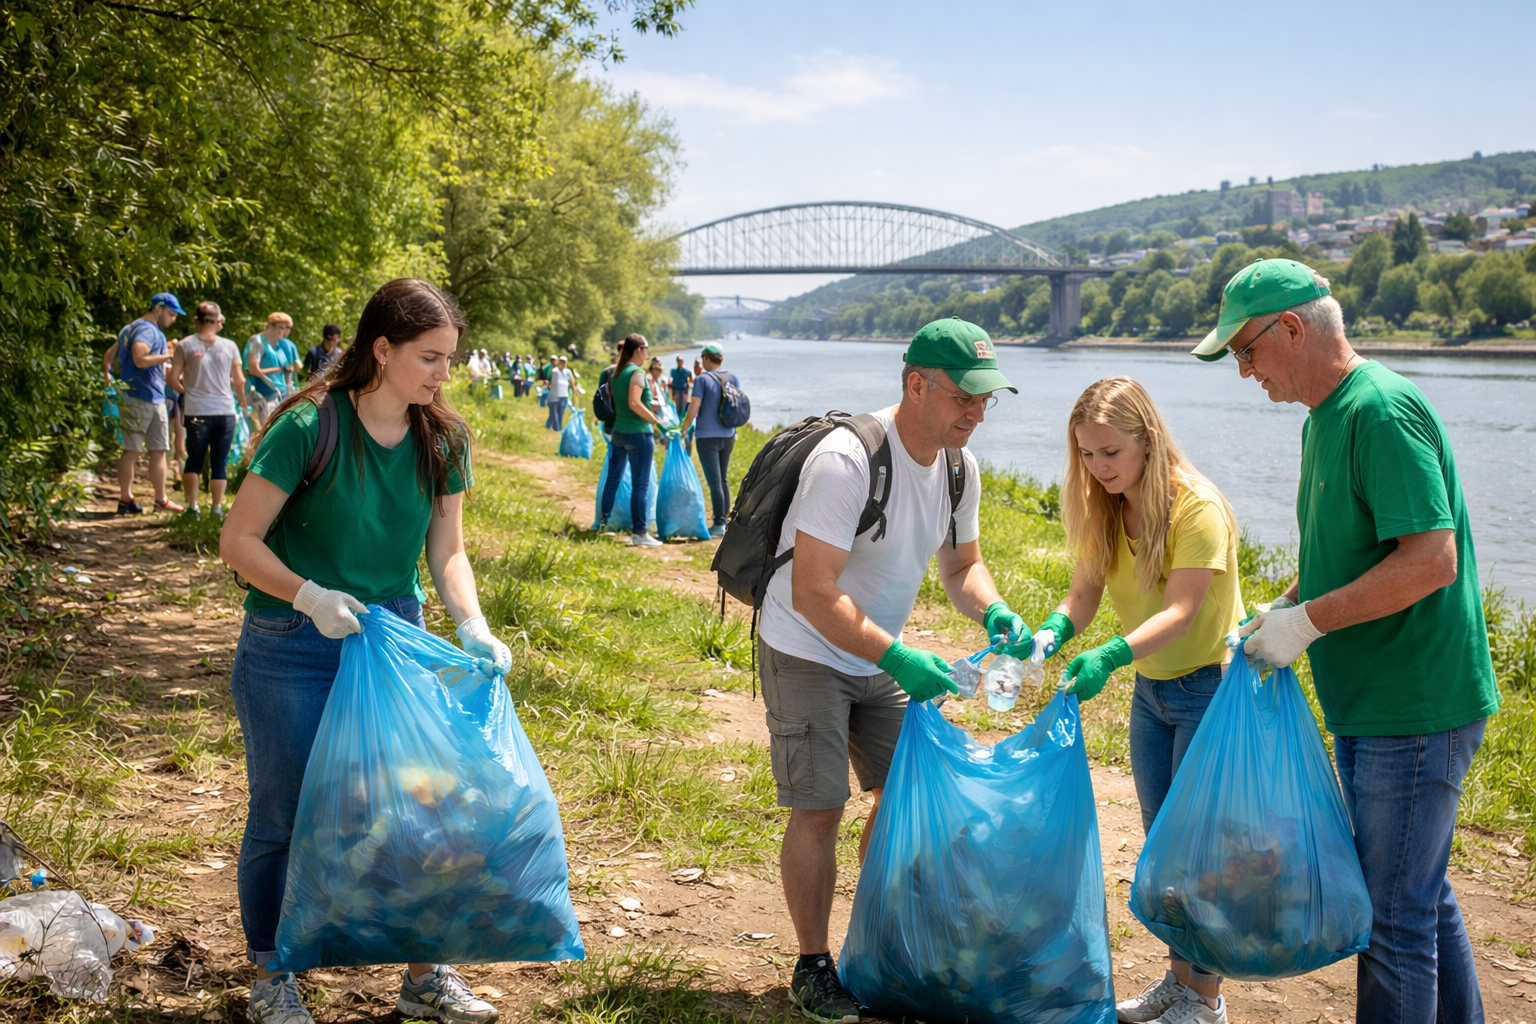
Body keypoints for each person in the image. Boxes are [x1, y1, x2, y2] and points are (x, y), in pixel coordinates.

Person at [1195, 258, 1499, 1024]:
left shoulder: (1380, 411)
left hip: (1415, 706)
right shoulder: (1323, 419)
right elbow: (1348, 548)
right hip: (1370, 702)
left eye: (1246, 351)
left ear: (1291, 328)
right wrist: (1286, 606)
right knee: (1417, 893)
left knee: (1391, 917)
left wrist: (1307, 624)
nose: (1244, 371)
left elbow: (1430, 560)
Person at [220, 278, 512, 1024]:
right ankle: (271, 978)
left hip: (393, 641)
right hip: (292, 645)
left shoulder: (442, 438)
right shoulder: (308, 426)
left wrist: (472, 624)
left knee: (417, 808)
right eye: (429, 358)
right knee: (285, 815)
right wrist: (310, 596)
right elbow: (239, 540)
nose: (443, 374)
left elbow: (447, 549)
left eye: (450, 359)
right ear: (382, 350)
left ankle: (424, 978)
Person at [757, 318, 1030, 1024]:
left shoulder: (959, 468)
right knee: (820, 807)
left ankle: (880, 936)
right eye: (965, 398)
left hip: (879, 649)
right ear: (917, 385)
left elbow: (962, 567)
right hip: (807, 645)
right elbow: (813, 590)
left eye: (985, 400)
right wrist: (900, 657)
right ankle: (813, 966)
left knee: (906, 798)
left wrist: (993, 609)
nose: (977, 413)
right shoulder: (847, 461)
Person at [1033, 377, 1244, 1024]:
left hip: (1209, 688)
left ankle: (1206, 999)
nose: (1098, 468)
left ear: (1147, 441)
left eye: (1111, 453)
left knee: (1199, 852)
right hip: (1153, 693)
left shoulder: (1197, 507)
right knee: (1165, 848)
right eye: (1086, 454)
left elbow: (1182, 611)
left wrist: (1110, 655)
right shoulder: (1104, 504)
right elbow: (1083, 595)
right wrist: (1052, 633)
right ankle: (1180, 980)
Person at [103, 293, 187, 514]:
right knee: (133, 451)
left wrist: (108, 379)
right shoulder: (148, 330)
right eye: (171, 314)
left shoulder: (128, 329)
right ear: (158, 309)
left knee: (158, 450)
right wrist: (169, 356)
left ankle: (159, 500)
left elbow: (109, 355)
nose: (173, 319)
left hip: (150, 397)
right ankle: (127, 500)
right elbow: (140, 359)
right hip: (141, 398)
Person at [167, 302, 247, 515]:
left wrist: (186, 391)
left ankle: (192, 508)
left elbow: (173, 379)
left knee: (194, 460)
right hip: (225, 411)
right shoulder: (230, 346)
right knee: (219, 462)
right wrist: (243, 402)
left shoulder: (184, 345)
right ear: (218, 321)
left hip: (197, 411)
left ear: (196, 320)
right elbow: (239, 381)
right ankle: (217, 508)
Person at [597, 334, 667, 547]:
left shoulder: (617, 373)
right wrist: (655, 420)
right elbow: (634, 403)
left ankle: (603, 523)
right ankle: (640, 533)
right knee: (641, 484)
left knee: (613, 478)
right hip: (638, 433)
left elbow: (625, 402)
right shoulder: (637, 373)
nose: (648, 353)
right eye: (646, 348)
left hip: (619, 431)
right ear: (638, 350)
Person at [679, 343, 738, 539]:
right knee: (723, 479)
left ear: (706, 358)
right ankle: (726, 521)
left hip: (707, 437)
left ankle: (719, 524)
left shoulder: (701, 379)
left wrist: (685, 427)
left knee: (715, 482)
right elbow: (734, 405)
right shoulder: (731, 377)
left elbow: (694, 406)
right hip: (728, 435)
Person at [246, 314, 293, 427]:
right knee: (265, 431)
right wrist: (280, 369)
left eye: (285, 328)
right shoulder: (258, 341)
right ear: (270, 326)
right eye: (280, 327)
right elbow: (253, 369)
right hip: (263, 396)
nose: (283, 331)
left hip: (279, 395)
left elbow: (287, 371)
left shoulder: (279, 344)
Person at [546, 356, 572, 431]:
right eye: (561, 362)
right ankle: (555, 428)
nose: (563, 364)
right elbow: (549, 381)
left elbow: (571, 383)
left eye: (564, 362)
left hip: (564, 395)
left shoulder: (568, 372)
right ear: (559, 362)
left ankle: (558, 428)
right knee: (554, 412)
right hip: (555, 394)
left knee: (561, 412)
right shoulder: (554, 371)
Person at [669, 356, 692, 421]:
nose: (680, 362)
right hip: (676, 391)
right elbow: (671, 381)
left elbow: (690, 380)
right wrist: (672, 394)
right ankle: (678, 421)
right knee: (676, 408)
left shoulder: (686, 371)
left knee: (683, 408)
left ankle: (682, 421)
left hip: (683, 391)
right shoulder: (673, 371)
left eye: (681, 361)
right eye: (678, 361)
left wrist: (687, 393)